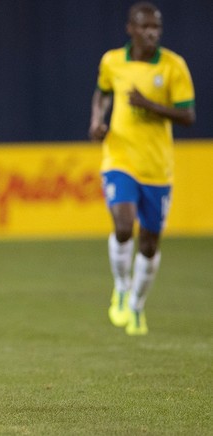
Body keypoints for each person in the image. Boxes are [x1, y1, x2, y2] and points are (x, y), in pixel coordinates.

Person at [89, 2, 195, 336]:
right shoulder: (112, 61)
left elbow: (188, 116)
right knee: (123, 226)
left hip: (157, 167)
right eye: (146, 27)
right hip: (120, 157)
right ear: (131, 29)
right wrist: (97, 122)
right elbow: (102, 93)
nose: (152, 33)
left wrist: (149, 105)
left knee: (149, 244)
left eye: (157, 29)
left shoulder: (173, 66)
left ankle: (136, 306)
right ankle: (121, 287)